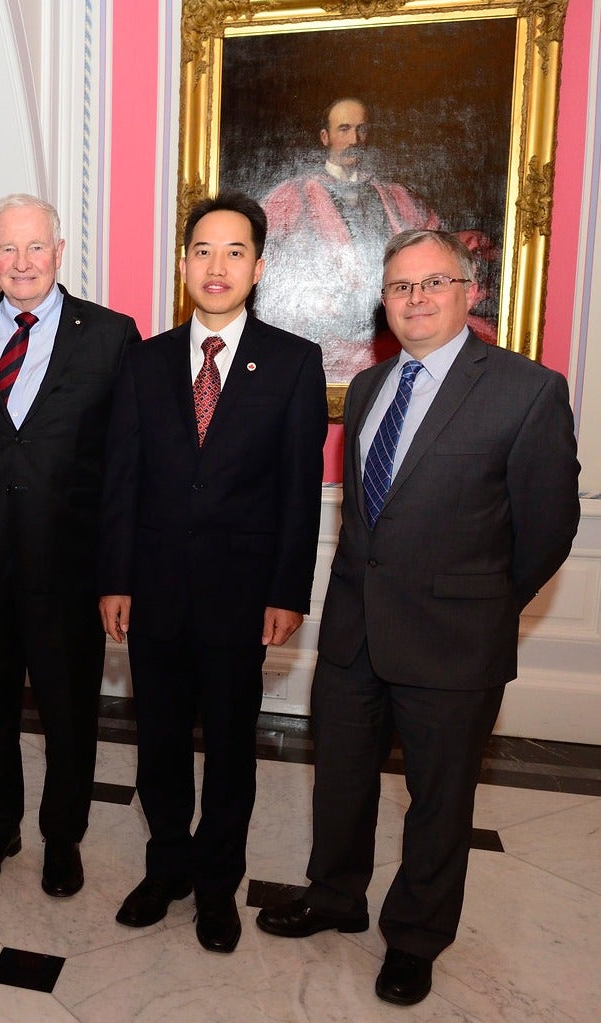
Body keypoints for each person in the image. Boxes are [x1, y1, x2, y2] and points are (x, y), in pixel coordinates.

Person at [256, 229, 580, 1006]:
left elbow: (549, 528)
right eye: (401, 287)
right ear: (384, 302)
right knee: (339, 779)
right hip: (355, 632)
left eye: (434, 283)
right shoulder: (369, 388)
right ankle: (335, 895)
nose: (417, 299)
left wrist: (482, 601)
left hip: (454, 641)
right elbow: (367, 522)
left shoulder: (527, 389)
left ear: (468, 292)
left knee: (439, 799)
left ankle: (415, 936)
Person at [98, 192, 328, 953]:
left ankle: (217, 883)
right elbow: (121, 479)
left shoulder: (294, 362)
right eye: (203, 249)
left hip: (240, 599)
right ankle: (165, 866)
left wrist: (287, 591)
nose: (217, 265)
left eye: (234, 251)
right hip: (154, 592)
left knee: (230, 748)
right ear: (183, 262)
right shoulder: (145, 358)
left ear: (259, 266)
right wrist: (115, 577)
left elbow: (299, 489)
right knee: (158, 742)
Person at [0, 193, 141, 897]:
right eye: (6, 249)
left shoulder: (113, 336)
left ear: (59, 252)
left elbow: (126, 468)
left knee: (68, 709)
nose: (21, 263)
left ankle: (63, 837)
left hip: (71, 568)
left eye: (34, 248)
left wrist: (120, 573)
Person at [256, 97, 441, 380]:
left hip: (386, 337)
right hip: (321, 338)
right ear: (325, 137)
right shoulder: (293, 196)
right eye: (344, 129)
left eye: (361, 129)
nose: (354, 139)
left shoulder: (394, 196)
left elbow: (434, 248)